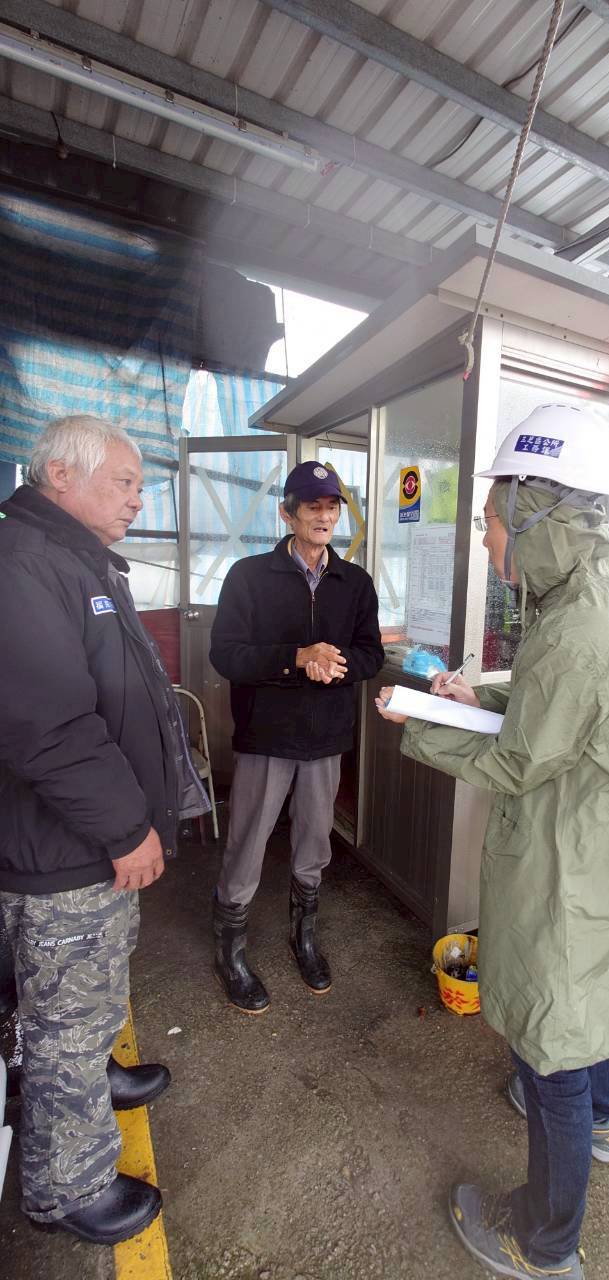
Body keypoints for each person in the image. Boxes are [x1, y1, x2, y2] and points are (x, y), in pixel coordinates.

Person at [376, 405, 609, 1280]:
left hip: (570, 868)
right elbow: (550, 718)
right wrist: (483, 699)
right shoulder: (597, 599)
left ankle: (544, 1245)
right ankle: (605, 1119)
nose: (491, 544)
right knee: (590, 1019)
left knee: (553, 1053)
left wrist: (417, 721)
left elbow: (518, 761)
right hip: (601, 855)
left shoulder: (580, 630)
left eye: (496, 524)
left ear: (541, 518)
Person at [0, 416, 208, 1245]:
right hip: (65, 851)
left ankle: (97, 1075)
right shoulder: (24, 565)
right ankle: (67, 1185)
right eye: (122, 481)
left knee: (82, 1001)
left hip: (82, 843)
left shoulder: (74, 557)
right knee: (64, 1021)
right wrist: (127, 828)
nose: (137, 496)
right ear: (60, 474)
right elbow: (50, 727)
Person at [210, 461, 384, 1012]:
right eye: (313, 506)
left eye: (332, 506)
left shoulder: (354, 582)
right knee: (248, 841)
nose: (324, 515)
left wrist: (338, 665)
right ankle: (230, 949)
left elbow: (370, 652)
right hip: (267, 734)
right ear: (286, 513)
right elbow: (226, 654)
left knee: (314, 841)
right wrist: (294, 660)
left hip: (326, 735)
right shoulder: (249, 576)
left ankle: (302, 935)